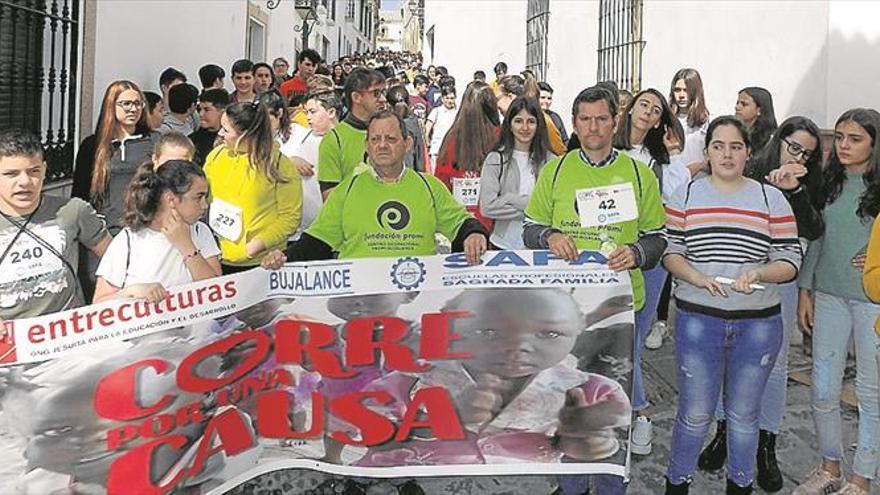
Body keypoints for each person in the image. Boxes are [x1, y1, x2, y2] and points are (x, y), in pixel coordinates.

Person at [523, 85, 666, 495]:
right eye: (584, 119)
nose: (593, 127)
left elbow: (658, 239)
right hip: (566, 311)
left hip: (621, 310)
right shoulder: (556, 171)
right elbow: (530, 229)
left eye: (601, 118)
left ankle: (608, 486)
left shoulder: (638, 173)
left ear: (615, 121)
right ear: (574, 123)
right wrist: (549, 236)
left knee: (610, 407)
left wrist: (637, 252)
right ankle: (570, 485)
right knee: (568, 403)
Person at [663, 116, 801, 495]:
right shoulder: (687, 195)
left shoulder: (770, 198)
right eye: (718, 146)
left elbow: (790, 259)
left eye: (735, 146)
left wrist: (760, 273)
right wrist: (693, 277)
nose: (727, 154)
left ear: (748, 153)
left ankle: (739, 485)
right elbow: (672, 251)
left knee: (743, 417)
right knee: (694, 414)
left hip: (758, 325)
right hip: (697, 320)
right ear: (706, 151)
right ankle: (676, 484)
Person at [354, 288, 632, 466]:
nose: (517, 346)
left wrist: (582, 442)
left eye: (548, 334)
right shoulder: (411, 379)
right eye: (489, 332)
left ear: (577, 333)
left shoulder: (590, 392)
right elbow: (371, 439)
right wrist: (444, 418)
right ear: (450, 330)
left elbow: (578, 448)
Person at [697, 116, 825, 492]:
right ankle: (723, 433)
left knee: (775, 363)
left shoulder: (808, 184)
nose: (798, 155)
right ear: (779, 140)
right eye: (794, 146)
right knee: (727, 355)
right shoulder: (749, 169)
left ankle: (765, 445)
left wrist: (796, 190)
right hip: (734, 277)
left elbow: (814, 230)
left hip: (778, 282)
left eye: (808, 153)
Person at [260, 110, 488, 266]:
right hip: (360, 302)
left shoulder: (429, 187)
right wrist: (285, 257)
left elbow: (461, 223)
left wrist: (474, 234)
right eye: (375, 139)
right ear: (366, 145)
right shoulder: (348, 189)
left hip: (415, 301)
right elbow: (318, 240)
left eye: (390, 139)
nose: (382, 145)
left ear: (407, 144)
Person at [794, 108, 880, 495]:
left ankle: (861, 479)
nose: (843, 145)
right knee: (823, 387)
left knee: (869, 392)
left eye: (855, 138)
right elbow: (816, 238)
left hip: (871, 303)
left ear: (875, 145)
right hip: (828, 296)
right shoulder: (829, 182)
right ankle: (830, 467)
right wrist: (804, 290)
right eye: (840, 137)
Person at [612, 87, 689, 455]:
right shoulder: (602, 149)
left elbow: (674, 207)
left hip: (649, 257)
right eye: (644, 104)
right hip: (606, 256)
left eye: (655, 110)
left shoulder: (663, 161)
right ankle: (629, 412)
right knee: (609, 337)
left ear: (660, 120)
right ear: (630, 109)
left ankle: (638, 414)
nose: (647, 112)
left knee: (634, 339)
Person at [0, 128, 111, 322]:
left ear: (44, 170)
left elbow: (117, 260)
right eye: (11, 174)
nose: (25, 182)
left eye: (33, 171)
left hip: (67, 336)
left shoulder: (74, 210)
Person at [72, 80, 157, 299]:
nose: (133, 109)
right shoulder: (92, 146)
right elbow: (79, 196)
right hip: (101, 239)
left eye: (138, 104)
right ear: (111, 106)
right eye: (126, 103)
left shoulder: (154, 143)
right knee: (104, 301)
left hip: (143, 236)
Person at [93, 159, 220, 303]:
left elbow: (217, 293)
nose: (205, 205)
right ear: (171, 199)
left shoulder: (201, 232)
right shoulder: (129, 239)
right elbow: (99, 303)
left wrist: (187, 247)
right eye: (198, 197)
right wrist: (133, 291)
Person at [204, 101, 302, 273]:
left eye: (226, 130)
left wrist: (256, 246)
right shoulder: (216, 156)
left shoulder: (280, 165)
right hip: (219, 258)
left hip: (263, 263)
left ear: (247, 135)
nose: (220, 134)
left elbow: (290, 217)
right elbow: (202, 196)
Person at [479, 96, 554, 251]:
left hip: (541, 245)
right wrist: (534, 210)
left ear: (539, 125)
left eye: (531, 121)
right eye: (518, 121)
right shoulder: (495, 159)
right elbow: (487, 207)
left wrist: (508, 198)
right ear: (510, 125)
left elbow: (552, 207)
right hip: (502, 244)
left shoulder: (551, 161)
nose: (524, 127)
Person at [434, 81, 500, 229]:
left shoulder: (451, 138)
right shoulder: (500, 138)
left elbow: (441, 181)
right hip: (495, 221)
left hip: (461, 221)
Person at [281, 90, 342, 240]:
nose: (308, 117)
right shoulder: (299, 135)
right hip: (299, 228)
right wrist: (291, 160)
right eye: (306, 112)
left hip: (332, 226)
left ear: (331, 112)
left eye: (313, 112)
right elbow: (275, 159)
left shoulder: (344, 141)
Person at [317, 67, 386, 196]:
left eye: (383, 92)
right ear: (356, 97)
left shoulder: (390, 132)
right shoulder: (334, 139)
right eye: (376, 93)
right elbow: (329, 196)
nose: (383, 99)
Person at [495, 75, 566, 155]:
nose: (496, 104)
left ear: (510, 97)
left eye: (497, 99)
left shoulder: (543, 120)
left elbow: (560, 154)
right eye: (518, 121)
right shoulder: (506, 123)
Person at [386, 85, 427, 172]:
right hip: (412, 175)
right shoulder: (414, 122)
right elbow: (419, 154)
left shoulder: (384, 124)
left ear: (388, 106)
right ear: (409, 103)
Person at [189, 88, 230, 166]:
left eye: (207, 110)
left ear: (222, 112)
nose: (201, 114)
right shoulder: (193, 141)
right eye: (199, 109)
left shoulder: (233, 139)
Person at [735, 87, 777, 152]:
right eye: (737, 103)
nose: (737, 107)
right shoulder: (733, 130)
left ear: (759, 110)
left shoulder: (770, 140)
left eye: (744, 104)